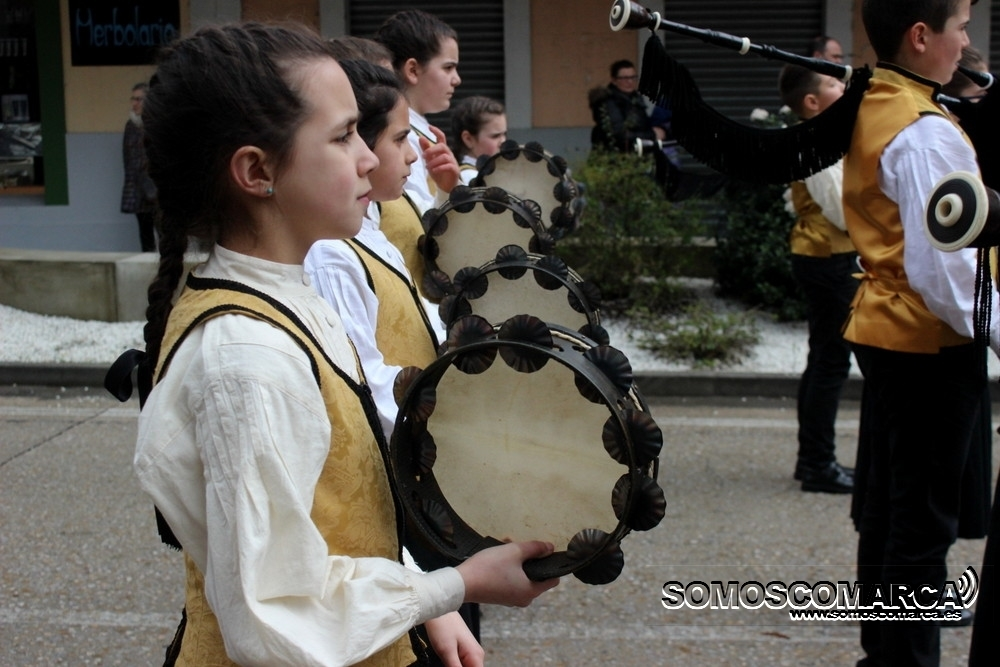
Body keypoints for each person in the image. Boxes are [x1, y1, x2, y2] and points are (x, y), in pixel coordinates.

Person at [131, 22, 557, 666]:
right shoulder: (248, 360)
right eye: (342, 136)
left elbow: (334, 516)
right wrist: (457, 584)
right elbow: (273, 616)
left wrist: (423, 597)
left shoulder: (289, 297)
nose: (368, 157)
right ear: (256, 170)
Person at [842, 1, 996, 665]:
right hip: (930, 339)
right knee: (921, 523)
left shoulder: (880, 99)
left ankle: (884, 650)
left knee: (889, 507)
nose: (967, 42)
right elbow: (948, 270)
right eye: (962, 27)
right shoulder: (925, 130)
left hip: (889, 329)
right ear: (922, 35)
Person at [776, 65, 856, 494]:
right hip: (829, 260)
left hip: (827, 258)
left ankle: (815, 460)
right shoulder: (816, 142)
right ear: (812, 102)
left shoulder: (821, 139)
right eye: (832, 83)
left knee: (825, 360)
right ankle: (817, 464)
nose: (842, 86)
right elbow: (844, 210)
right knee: (830, 362)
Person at [373, 10, 463, 297]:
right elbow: (413, 223)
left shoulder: (420, 129)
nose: (457, 79)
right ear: (413, 70)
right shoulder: (404, 134)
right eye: (448, 68)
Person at [588, 59, 658, 153]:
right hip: (614, 156)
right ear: (614, 80)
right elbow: (619, 135)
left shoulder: (635, 99)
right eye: (624, 78)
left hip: (635, 153)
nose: (630, 82)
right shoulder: (608, 102)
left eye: (633, 77)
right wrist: (652, 135)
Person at [120, 82, 157, 252]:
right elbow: (128, 160)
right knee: (145, 235)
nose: (134, 103)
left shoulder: (157, 125)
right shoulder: (131, 126)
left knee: (166, 236)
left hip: (157, 190)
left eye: (139, 99)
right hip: (137, 190)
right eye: (133, 99)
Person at [448, 96, 507, 185]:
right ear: (468, 139)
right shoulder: (471, 178)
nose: (503, 141)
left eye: (504, 134)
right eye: (495, 136)